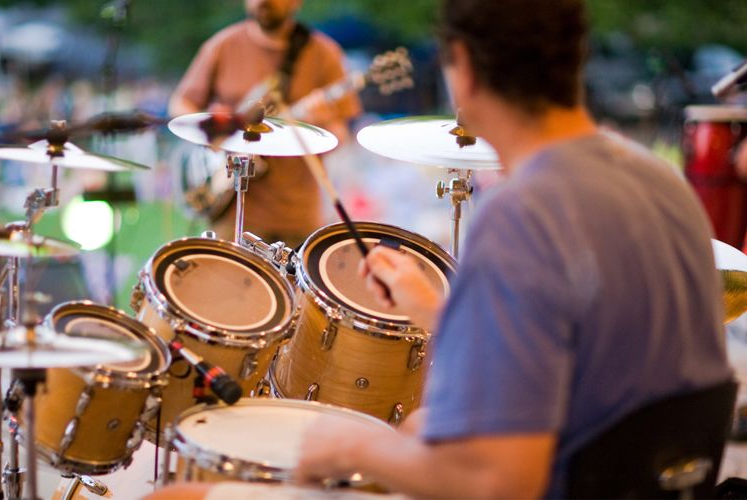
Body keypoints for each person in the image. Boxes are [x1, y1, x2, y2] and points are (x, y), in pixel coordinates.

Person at [292, 0, 733, 498]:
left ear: (466, 70)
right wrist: (436, 311)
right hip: (658, 482)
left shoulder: (522, 214)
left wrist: (351, 447)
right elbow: (586, 354)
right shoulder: (657, 180)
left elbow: (499, 482)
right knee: (419, 430)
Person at [168, 0, 361, 247]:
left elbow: (341, 135)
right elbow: (180, 103)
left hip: (297, 218)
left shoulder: (324, 53)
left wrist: (321, 123)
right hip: (232, 213)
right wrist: (215, 131)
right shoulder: (222, 46)